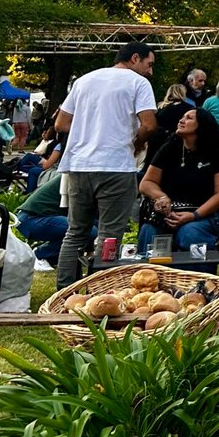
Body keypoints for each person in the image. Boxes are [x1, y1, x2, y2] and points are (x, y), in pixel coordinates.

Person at [53, 41, 157, 287]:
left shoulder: (84, 80)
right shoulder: (138, 83)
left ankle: (64, 291)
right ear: (135, 58)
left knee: (75, 233)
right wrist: (137, 141)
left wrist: (87, 130)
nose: (150, 71)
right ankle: (100, 291)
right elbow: (150, 125)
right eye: (149, 64)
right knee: (109, 236)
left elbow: (60, 125)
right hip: (116, 165)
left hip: (79, 165)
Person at [137, 107, 219, 264]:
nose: (181, 120)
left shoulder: (218, 151)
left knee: (190, 232)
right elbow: (147, 183)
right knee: (149, 230)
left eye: (189, 118)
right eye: (183, 117)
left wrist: (194, 215)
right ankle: (151, 282)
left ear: (202, 125)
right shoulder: (170, 148)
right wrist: (162, 197)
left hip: (217, 213)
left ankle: (199, 285)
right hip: (175, 211)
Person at [15, 152, 69, 265]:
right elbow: (46, 166)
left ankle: (49, 253)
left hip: (37, 217)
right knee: (85, 230)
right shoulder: (73, 178)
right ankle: (40, 255)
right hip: (31, 219)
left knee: (89, 228)